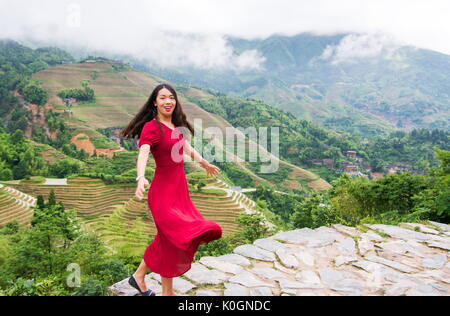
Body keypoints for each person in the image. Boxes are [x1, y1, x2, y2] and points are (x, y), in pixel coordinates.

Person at [119, 83, 223, 296]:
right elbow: (144, 152)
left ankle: (140, 278)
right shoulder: (151, 127)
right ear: (155, 102)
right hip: (162, 194)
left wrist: (204, 163)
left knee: (167, 239)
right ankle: (164, 291)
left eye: (171, 97)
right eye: (163, 97)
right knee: (171, 238)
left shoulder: (175, 127)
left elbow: (184, 147)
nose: (168, 101)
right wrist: (140, 177)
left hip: (179, 192)